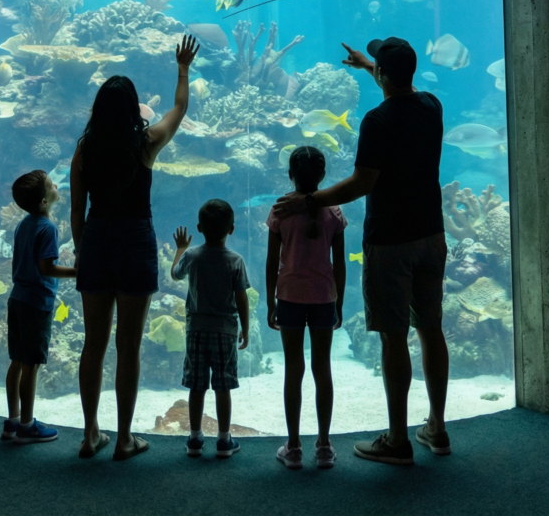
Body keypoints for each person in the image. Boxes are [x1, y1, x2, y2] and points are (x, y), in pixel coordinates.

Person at [274, 36, 450, 467]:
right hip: (432, 235)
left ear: (384, 76)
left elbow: (361, 183)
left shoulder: (376, 121)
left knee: (394, 336)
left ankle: (397, 439)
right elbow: (399, 89)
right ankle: (437, 429)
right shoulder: (432, 106)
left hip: (391, 241)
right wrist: (370, 65)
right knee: (431, 328)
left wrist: (309, 200)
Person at [70, 34, 199, 460]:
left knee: (93, 344)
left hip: (96, 239)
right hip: (135, 240)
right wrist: (182, 69)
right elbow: (178, 109)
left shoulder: (84, 150)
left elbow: (75, 211)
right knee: (129, 345)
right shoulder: (144, 143)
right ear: (131, 109)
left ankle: (90, 434)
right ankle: (123, 438)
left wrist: (83, 254)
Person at [265, 145, 346, 470]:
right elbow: (339, 262)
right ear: (323, 176)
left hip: (290, 296)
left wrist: (271, 299)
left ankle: (294, 445)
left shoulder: (281, 210)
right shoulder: (334, 212)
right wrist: (339, 300)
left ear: (290, 175)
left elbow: (272, 260)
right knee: (322, 368)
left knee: (293, 369)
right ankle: (324, 445)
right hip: (324, 297)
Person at [170, 199, 250, 459]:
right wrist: (245, 329)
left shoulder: (192, 255)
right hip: (225, 331)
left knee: (197, 385)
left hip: (196, 330)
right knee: (222, 386)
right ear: (232, 229)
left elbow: (175, 275)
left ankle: (194, 439)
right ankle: (224, 440)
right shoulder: (235, 261)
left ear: (199, 228)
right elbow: (242, 299)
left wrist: (181, 248)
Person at [3, 169, 76, 444]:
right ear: (45, 202)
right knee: (32, 365)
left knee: (17, 361)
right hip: (36, 303)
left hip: (17, 298)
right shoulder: (48, 228)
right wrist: (78, 272)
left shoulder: (23, 224)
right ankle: (27, 425)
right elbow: (47, 267)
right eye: (51, 185)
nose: (57, 185)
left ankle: (12, 420)